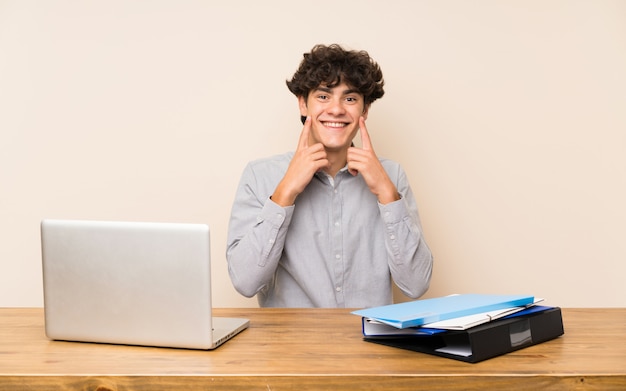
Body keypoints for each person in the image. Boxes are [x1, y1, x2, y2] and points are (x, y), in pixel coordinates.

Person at [226, 44, 433, 308]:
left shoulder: (392, 175)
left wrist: (388, 195)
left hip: (368, 344)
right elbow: (245, 282)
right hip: (289, 346)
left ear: (364, 110)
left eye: (350, 99)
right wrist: (284, 194)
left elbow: (416, 286)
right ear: (303, 104)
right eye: (323, 96)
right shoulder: (259, 175)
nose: (336, 110)